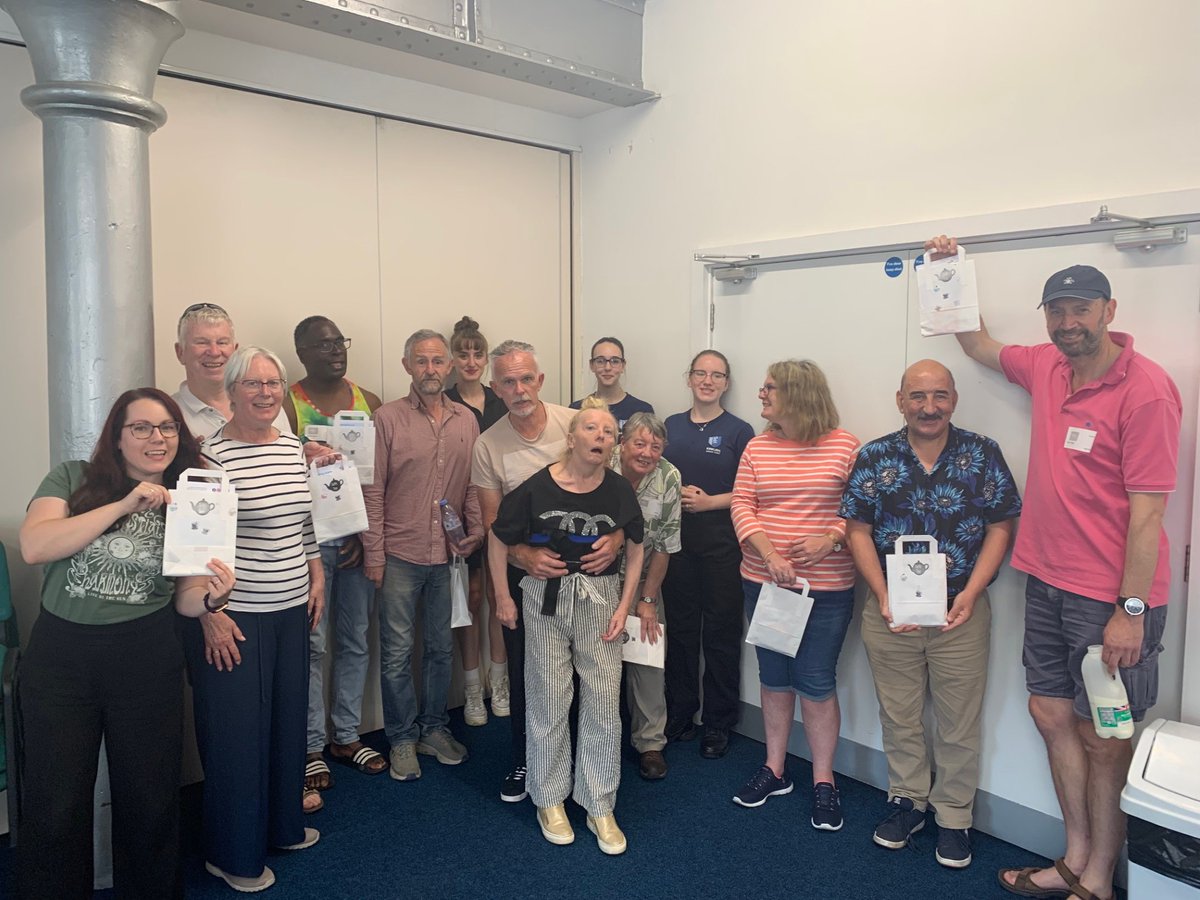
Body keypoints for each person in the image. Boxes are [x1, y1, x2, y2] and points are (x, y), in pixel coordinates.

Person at [928, 236, 1182, 900]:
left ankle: (1097, 878)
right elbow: (978, 344)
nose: (1069, 324)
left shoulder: (1147, 390)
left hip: (1112, 602)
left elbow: (1149, 514)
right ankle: (1073, 856)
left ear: (1108, 310)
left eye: (1081, 310)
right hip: (1044, 581)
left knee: (1106, 738)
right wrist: (949, 271)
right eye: (1057, 311)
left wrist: (1130, 613)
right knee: (1048, 712)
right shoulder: (1046, 366)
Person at [16, 388, 234, 899]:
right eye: (141, 427)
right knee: (56, 800)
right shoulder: (73, 478)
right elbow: (35, 544)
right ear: (117, 437)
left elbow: (185, 596)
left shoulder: (190, 501)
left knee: (151, 797)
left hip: (144, 655)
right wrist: (124, 504)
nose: (156, 438)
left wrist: (212, 601)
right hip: (61, 658)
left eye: (167, 428)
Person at [839, 359, 1021, 868]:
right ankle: (907, 801)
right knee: (899, 716)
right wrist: (881, 593)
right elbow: (856, 529)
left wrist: (973, 591)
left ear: (954, 400)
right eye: (918, 396)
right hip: (890, 611)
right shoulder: (875, 456)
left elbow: (1001, 525)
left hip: (961, 613)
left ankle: (955, 817)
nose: (929, 407)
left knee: (958, 723)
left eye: (940, 395)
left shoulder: (982, 454)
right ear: (900, 400)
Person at [182, 346, 326, 893]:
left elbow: (305, 522)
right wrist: (209, 616)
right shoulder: (210, 459)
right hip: (236, 617)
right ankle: (231, 853)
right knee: (236, 739)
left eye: (273, 384)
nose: (265, 393)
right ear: (233, 391)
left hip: (292, 609)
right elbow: (195, 550)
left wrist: (317, 575)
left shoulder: (295, 448)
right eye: (253, 384)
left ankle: (283, 827)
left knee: (287, 726)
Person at [489, 399, 645, 855]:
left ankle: (599, 801)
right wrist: (502, 596)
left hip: (600, 598)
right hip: (546, 600)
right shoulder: (536, 489)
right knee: (549, 696)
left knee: (602, 700)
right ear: (572, 437)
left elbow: (636, 546)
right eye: (592, 429)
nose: (601, 436)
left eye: (609, 432)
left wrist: (626, 604)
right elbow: (499, 541)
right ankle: (550, 798)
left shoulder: (618, 490)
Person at [471, 339, 623, 803]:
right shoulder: (487, 445)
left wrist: (617, 540)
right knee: (530, 676)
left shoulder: (574, 424)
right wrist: (521, 563)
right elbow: (495, 527)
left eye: (526, 379)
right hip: (531, 578)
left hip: (593, 573)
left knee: (592, 678)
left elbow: (614, 493)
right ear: (495, 387)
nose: (519, 390)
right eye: (508, 382)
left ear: (540, 380)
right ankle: (528, 760)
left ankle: (589, 768)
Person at [730, 359, 859, 831]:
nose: (761, 394)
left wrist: (830, 538)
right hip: (763, 582)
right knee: (774, 676)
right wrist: (769, 555)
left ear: (798, 393)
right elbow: (743, 505)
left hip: (825, 588)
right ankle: (775, 768)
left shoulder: (844, 446)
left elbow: (861, 511)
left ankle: (824, 780)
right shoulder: (757, 447)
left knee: (816, 680)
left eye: (770, 388)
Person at [362, 329, 482, 782]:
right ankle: (401, 738)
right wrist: (374, 553)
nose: (430, 370)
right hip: (399, 554)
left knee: (438, 650)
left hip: (447, 557)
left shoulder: (466, 420)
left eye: (437, 361)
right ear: (406, 365)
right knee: (396, 653)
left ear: (448, 366)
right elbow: (373, 493)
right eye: (421, 361)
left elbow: (471, 484)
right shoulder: (386, 419)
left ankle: (434, 729)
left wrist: (473, 533)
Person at [285, 316, 386, 811]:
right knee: (312, 645)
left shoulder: (370, 400)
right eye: (322, 345)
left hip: (357, 538)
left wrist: (366, 535)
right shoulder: (286, 402)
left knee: (355, 640)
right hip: (309, 543)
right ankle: (310, 746)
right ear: (301, 351)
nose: (334, 351)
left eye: (339, 342)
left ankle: (346, 735)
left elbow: (379, 480)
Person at [661, 350, 755, 759]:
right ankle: (680, 713)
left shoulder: (740, 431)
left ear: (727, 383)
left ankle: (718, 723)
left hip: (723, 549)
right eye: (701, 373)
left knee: (720, 635)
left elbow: (753, 491)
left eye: (717, 375)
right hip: (675, 549)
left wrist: (711, 502)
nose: (708, 380)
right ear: (689, 378)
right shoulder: (671, 426)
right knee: (680, 634)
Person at [445, 315, 510, 727]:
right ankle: (472, 689)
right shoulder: (446, 401)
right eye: (462, 353)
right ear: (452, 359)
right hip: (463, 515)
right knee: (470, 601)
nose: (470, 361)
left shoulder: (503, 399)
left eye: (477, 354)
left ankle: (499, 683)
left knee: (500, 600)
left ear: (486, 359)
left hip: (503, 512)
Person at [611, 412, 682, 780]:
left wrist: (649, 599)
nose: (647, 452)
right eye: (639, 443)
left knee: (648, 659)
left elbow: (666, 545)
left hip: (644, 581)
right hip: (597, 578)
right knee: (599, 658)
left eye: (655, 446)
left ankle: (650, 744)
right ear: (622, 442)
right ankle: (599, 735)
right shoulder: (601, 463)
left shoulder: (668, 477)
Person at [172, 302, 290, 442]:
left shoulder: (265, 404)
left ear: (235, 350)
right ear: (180, 352)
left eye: (222, 342)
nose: (214, 352)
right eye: (201, 342)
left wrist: (305, 458)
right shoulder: (169, 415)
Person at [570, 336, 654, 428]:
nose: (607, 367)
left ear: (622, 366)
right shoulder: (576, 409)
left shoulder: (642, 410)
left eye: (615, 361)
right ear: (592, 365)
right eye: (600, 361)